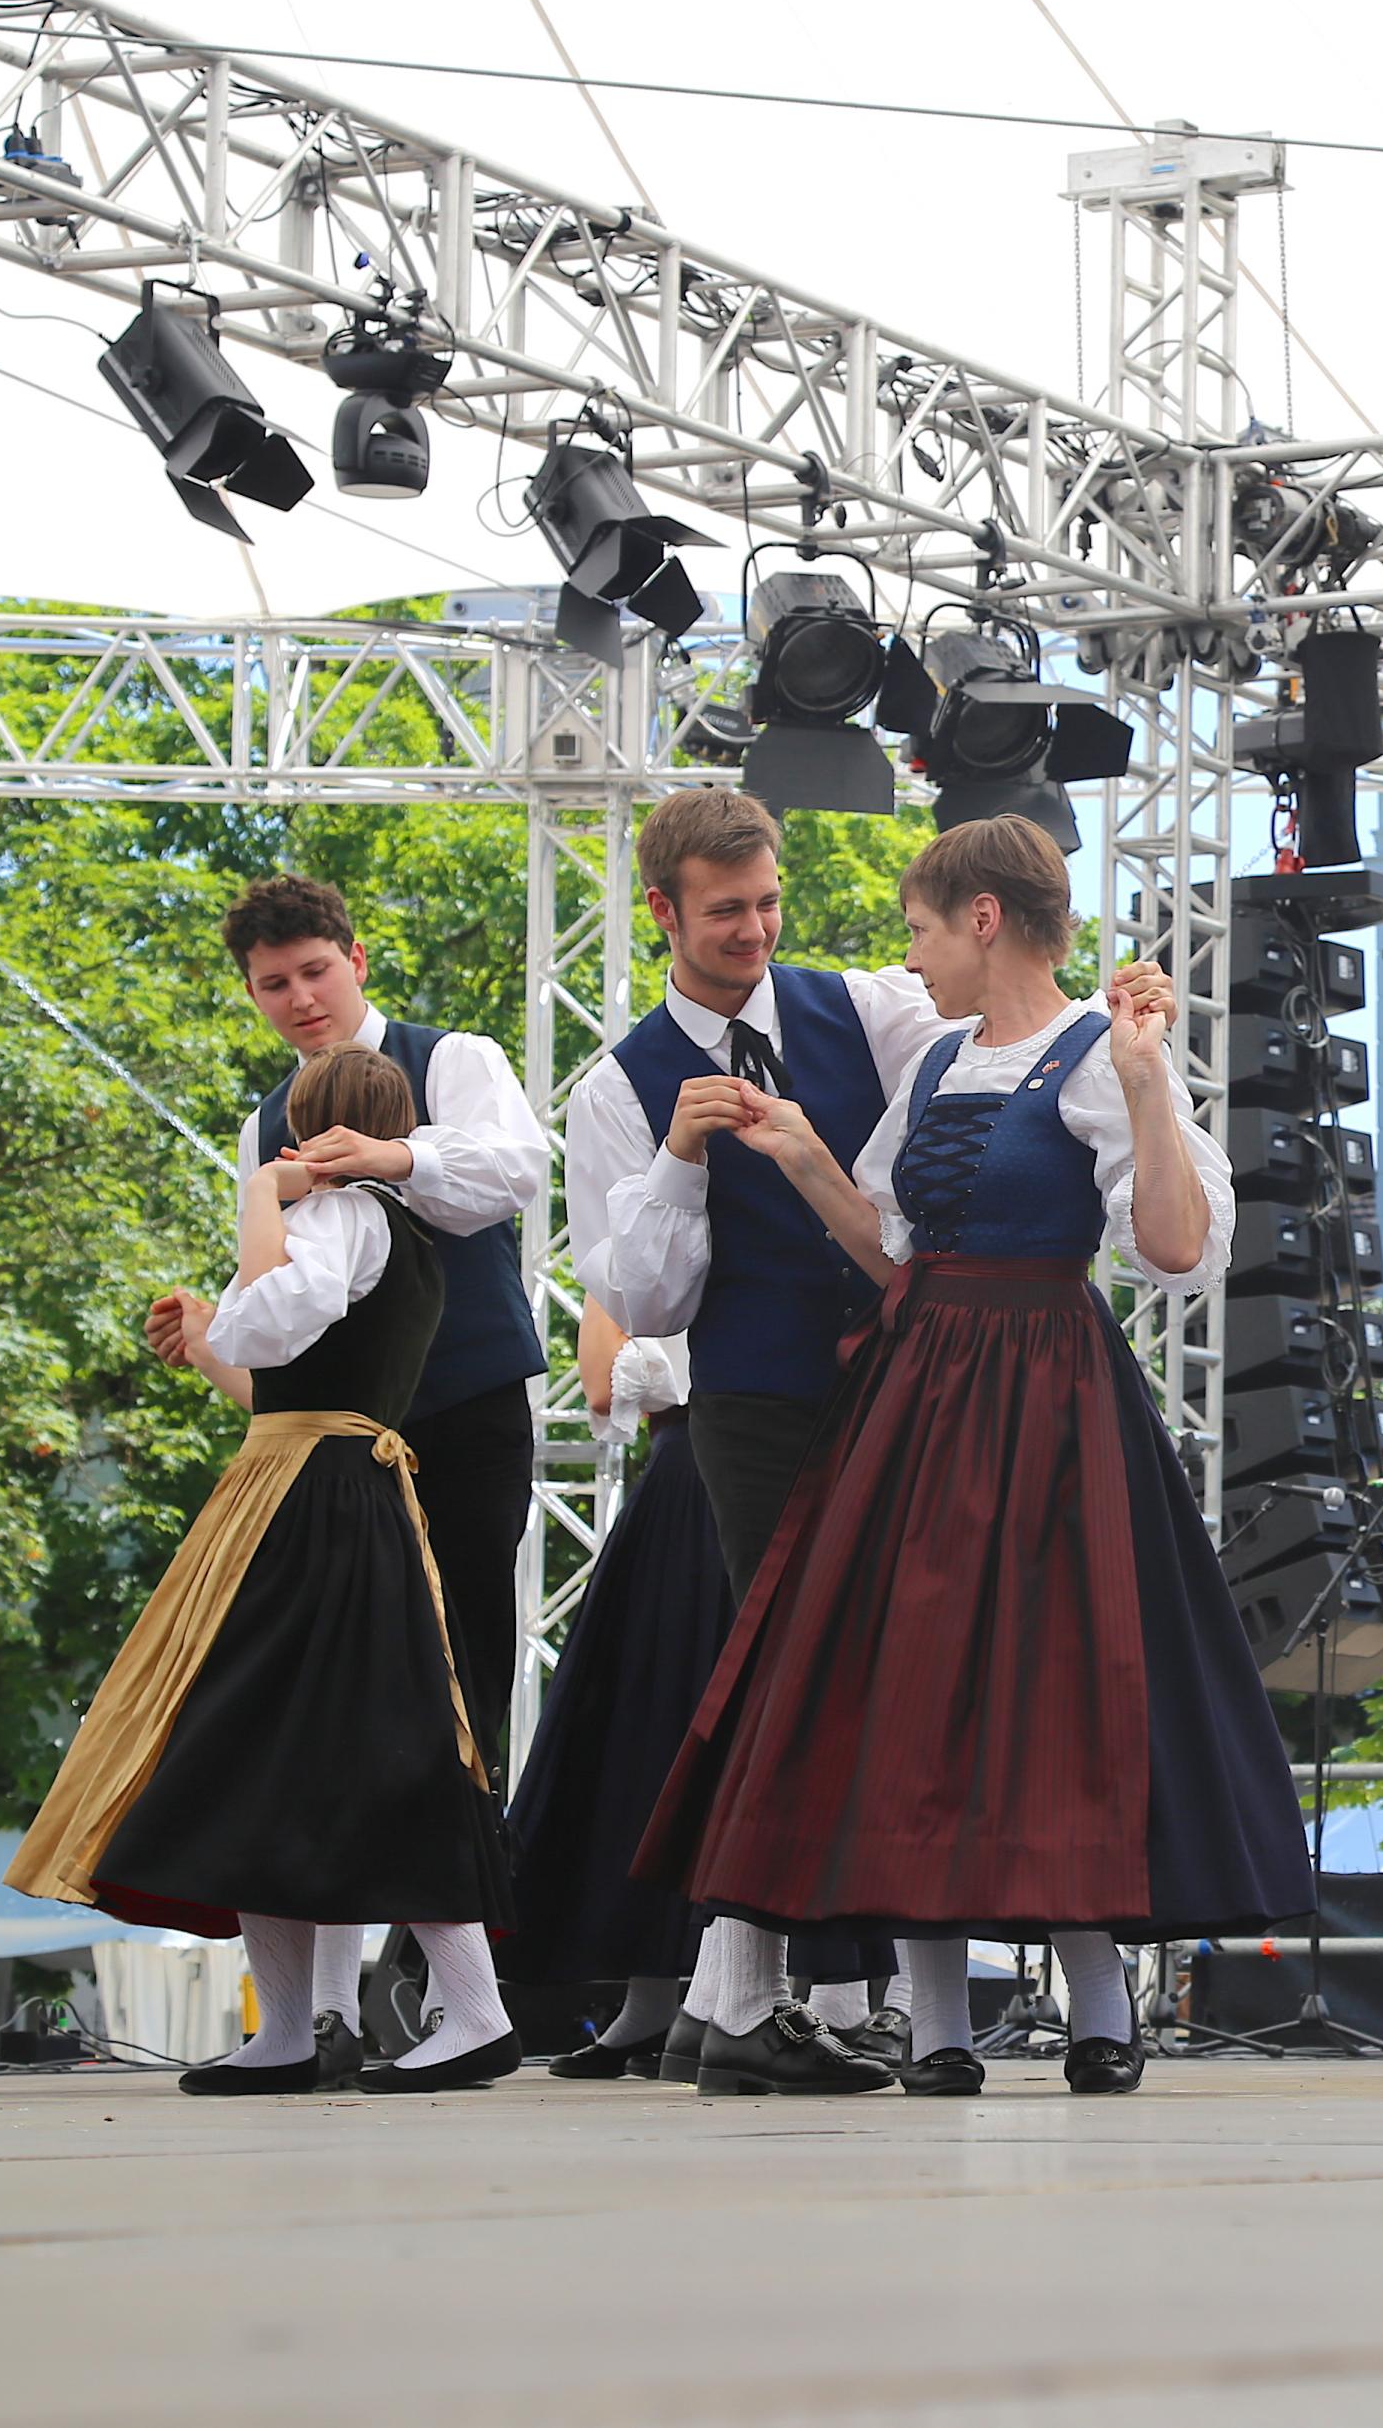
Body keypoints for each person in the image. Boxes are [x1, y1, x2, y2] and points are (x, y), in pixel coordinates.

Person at [636, 814, 1314, 2097]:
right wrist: (802, 1156)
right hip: (915, 1391)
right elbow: (894, 1249)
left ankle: (1101, 2002)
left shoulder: (1101, 1056)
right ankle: (938, 2022)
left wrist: (1146, 1079)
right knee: (909, 1688)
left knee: (1058, 1684)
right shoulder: (940, 1058)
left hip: (1048, 1391)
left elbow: (1175, 1249)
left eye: (921, 930)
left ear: (983, 919)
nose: (913, 957)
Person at [13, 1046, 519, 2094]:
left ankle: (466, 2015)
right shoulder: (406, 1234)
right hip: (326, 1487)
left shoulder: (340, 1218)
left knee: (298, 1743)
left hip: (312, 1506)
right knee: (273, 1755)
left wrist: (260, 1198)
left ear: (306, 1133)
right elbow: (282, 1379)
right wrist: (209, 1343)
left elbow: (269, 1322)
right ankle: (296, 2027)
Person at [566, 786, 952, 2094]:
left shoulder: (868, 1010)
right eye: (726, 909)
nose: (755, 928)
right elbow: (642, 1302)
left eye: (768, 902)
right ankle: (742, 2000)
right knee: (785, 1678)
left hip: (901, 1385)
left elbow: (980, 1079)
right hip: (753, 1403)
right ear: (663, 911)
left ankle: (787, 1999)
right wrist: (681, 1161)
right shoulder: (618, 1088)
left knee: (879, 1682)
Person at [148, 876, 545, 2044]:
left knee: (454, 1686)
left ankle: (449, 1988)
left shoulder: (452, 1058)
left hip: (460, 1414)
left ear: (357, 959)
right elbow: (276, 1310)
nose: (299, 998)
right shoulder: (265, 1123)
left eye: (314, 971)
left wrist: (390, 1154)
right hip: (332, 1451)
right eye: (272, 983)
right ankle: (325, 2010)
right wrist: (211, 1335)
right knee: (326, 1704)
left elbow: (512, 1173)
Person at [501, 1305, 896, 2089]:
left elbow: (615, 1376)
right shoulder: (658, 1254)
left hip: (737, 1460)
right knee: (663, 1737)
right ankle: (672, 2003)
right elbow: (609, 1383)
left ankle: (788, 1998)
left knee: (739, 1726)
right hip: (695, 1471)